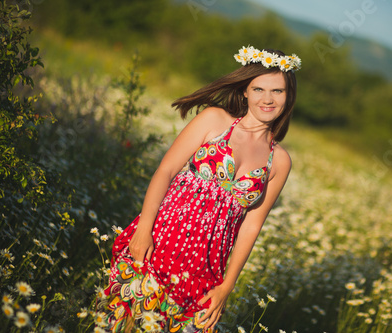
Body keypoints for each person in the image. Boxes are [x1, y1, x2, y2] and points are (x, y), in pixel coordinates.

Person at [100, 46, 301, 333]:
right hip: (159, 242)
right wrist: (144, 229)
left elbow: (251, 226)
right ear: (245, 90)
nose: (267, 99)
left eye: (277, 91)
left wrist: (226, 287)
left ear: (288, 95)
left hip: (207, 268)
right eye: (258, 89)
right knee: (123, 326)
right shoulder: (215, 120)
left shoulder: (279, 160)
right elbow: (165, 171)